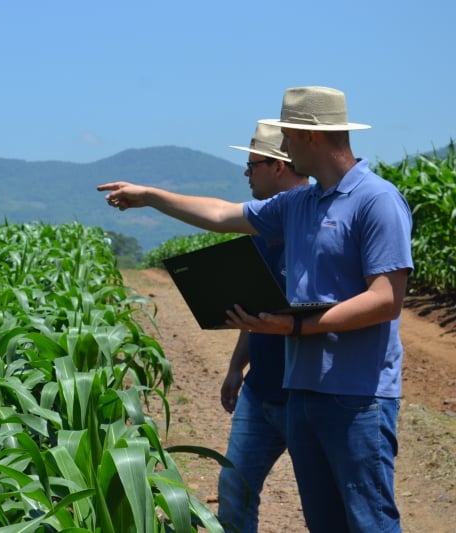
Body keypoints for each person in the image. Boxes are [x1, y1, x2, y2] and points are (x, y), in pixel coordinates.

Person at [98, 86, 413, 532]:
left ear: (310, 137)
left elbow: (385, 299)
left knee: (368, 521)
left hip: (358, 394)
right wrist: (150, 196)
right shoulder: (298, 204)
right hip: (302, 389)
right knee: (324, 522)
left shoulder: (376, 200)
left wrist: (296, 327)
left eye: (286, 135)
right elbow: (223, 214)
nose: (280, 147)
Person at [217, 123, 308, 533]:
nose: (247, 174)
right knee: (234, 490)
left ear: (277, 166)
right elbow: (254, 309)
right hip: (261, 389)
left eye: (251, 165)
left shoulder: (312, 226)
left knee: (325, 506)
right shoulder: (258, 230)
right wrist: (238, 367)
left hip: (309, 394)